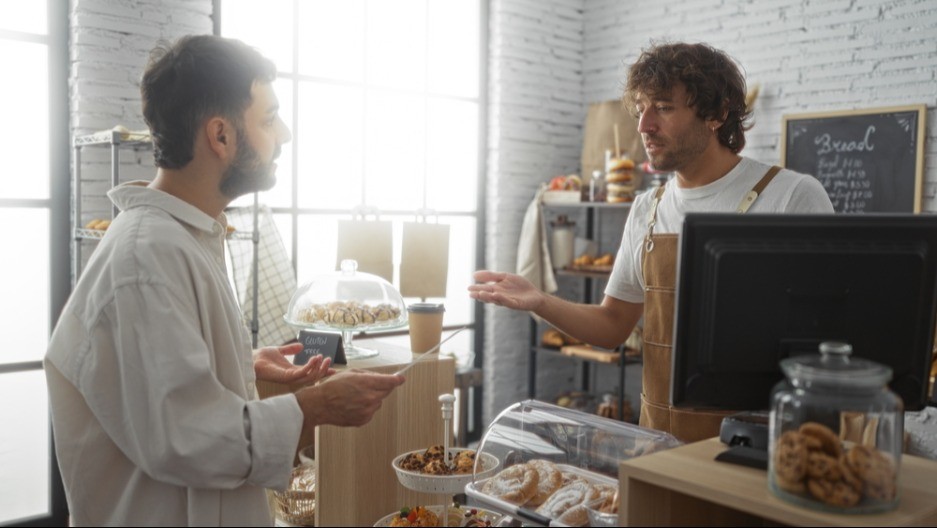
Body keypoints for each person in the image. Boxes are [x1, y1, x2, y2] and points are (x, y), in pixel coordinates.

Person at [45, 35, 405, 526]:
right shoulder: (146, 259)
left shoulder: (183, 239)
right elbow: (184, 437)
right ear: (220, 135)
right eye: (268, 118)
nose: (285, 134)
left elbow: (157, 388)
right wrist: (312, 408)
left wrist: (242, 365)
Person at [469, 42, 834, 443]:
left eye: (662, 106)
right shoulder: (648, 207)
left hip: (756, 450)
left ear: (717, 114)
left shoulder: (791, 196)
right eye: (641, 108)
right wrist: (540, 300)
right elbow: (612, 326)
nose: (643, 126)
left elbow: (825, 343)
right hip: (658, 444)